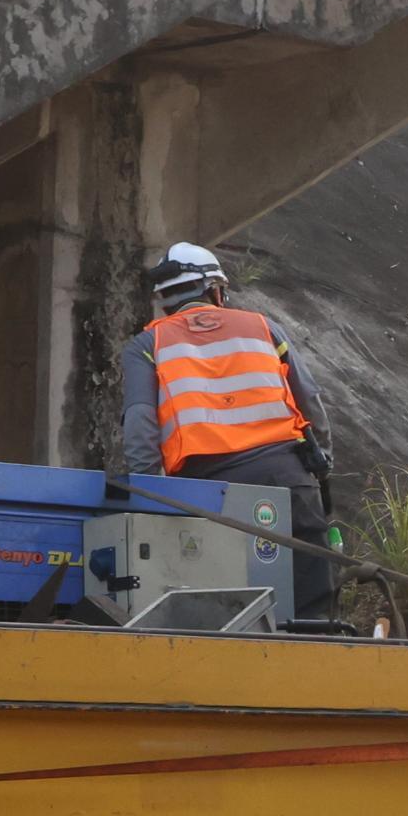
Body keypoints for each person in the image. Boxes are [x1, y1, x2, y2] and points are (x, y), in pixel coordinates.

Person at [116, 243, 339, 615]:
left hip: (204, 488)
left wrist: (150, 493)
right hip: (286, 475)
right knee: (313, 602)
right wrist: (323, 460)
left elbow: (140, 422)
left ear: (166, 299)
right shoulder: (263, 328)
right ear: (215, 289)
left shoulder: (146, 345)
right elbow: (309, 397)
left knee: (222, 604)